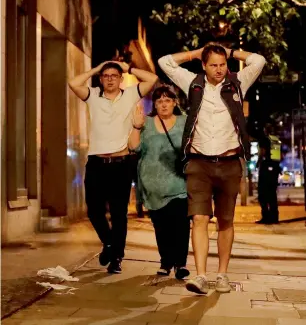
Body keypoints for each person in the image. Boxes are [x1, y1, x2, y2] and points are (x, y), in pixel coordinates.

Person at [158, 42, 266, 294]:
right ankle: (201, 276)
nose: (219, 70)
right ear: (204, 66)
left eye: (222, 65)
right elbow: (165, 61)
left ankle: (222, 275)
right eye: (213, 65)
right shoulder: (193, 83)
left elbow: (258, 60)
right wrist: (196, 53)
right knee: (199, 218)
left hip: (229, 164)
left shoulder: (238, 82)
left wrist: (230, 53)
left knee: (226, 221)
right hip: (199, 164)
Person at [68, 61, 158, 274]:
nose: (109, 79)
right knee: (94, 210)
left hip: (121, 164)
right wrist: (96, 68)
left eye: (114, 75)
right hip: (97, 163)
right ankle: (108, 243)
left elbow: (152, 79)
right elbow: (73, 82)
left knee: (119, 214)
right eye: (105, 75)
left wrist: (128, 68)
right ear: (101, 78)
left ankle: (116, 257)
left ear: (120, 78)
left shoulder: (130, 94)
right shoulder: (93, 95)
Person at [128, 86, 190, 279]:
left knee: (180, 225)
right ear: (155, 104)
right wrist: (136, 127)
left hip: (179, 183)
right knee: (161, 226)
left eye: (167, 100)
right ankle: (166, 262)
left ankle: (180, 264)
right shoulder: (145, 122)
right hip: (152, 185)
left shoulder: (185, 121)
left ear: (174, 103)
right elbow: (133, 147)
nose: (164, 104)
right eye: (159, 101)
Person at [256, 124, 281, 224]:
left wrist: (258, 162)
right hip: (275, 168)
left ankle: (266, 217)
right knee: (272, 194)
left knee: (262, 194)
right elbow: (280, 155)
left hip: (266, 167)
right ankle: (274, 217)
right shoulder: (276, 140)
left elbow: (262, 152)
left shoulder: (265, 139)